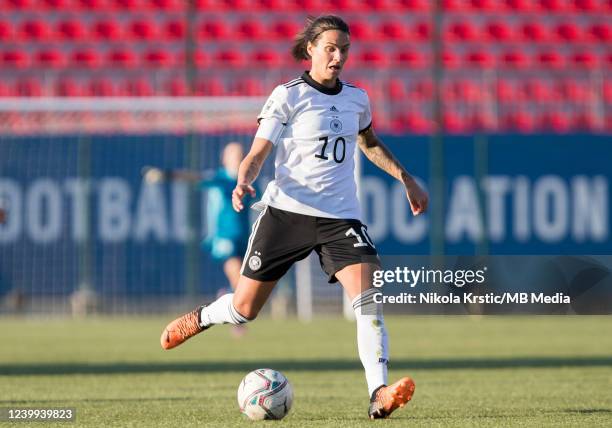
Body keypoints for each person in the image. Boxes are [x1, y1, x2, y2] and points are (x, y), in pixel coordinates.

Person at [160, 15, 428, 419]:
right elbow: (258, 152)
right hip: (287, 213)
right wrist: (243, 180)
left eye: (345, 49)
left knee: (369, 302)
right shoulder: (288, 95)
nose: (338, 57)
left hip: (341, 218)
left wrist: (406, 178)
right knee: (245, 308)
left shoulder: (357, 98)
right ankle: (201, 318)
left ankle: (379, 392)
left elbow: (369, 143)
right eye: (330, 48)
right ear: (310, 51)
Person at [144, 143, 251, 336]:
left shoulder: (250, 181)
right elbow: (191, 176)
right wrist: (166, 174)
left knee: (245, 280)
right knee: (237, 275)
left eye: (241, 155)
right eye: (234, 155)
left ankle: (225, 297)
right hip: (224, 237)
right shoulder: (219, 178)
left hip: (245, 236)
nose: (238, 159)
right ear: (224, 159)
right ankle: (237, 318)